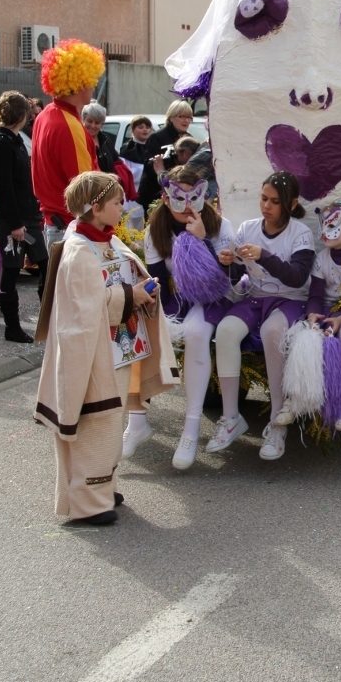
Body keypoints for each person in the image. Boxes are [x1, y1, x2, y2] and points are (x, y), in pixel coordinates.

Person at [34, 171, 178, 525]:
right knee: (96, 423)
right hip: (95, 355)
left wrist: (143, 287)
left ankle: (104, 488)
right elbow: (85, 305)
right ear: (97, 208)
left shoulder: (104, 239)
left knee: (112, 422)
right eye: (116, 203)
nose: (123, 207)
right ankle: (87, 504)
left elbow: (120, 278)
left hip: (117, 349)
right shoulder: (78, 249)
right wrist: (133, 295)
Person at [122, 165, 234, 469]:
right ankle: (137, 419)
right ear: (165, 198)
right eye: (178, 199)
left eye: (193, 198)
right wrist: (166, 317)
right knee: (141, 326)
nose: (186, 206)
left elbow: (227, 278)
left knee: (197, 333)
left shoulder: (219, 226)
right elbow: (158, 280)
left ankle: (191, 426)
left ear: (204, 197)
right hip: (179, 298)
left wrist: (201, 240)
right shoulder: (156, 229)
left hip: (217, 297)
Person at [213, 171, 315, 461]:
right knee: (226, 331)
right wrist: (228, 263)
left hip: (290, 299)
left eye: (274, 201)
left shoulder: (301, 233)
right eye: (263, 198)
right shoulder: (248, 228)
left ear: (291, 204)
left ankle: (277, 423)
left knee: (273, 332)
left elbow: (297, 278)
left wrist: (264, 255)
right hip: (256, 297)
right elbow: (239, 275)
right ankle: (231, 417)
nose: (266, 206)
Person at [276, 200, 341, 433]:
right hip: (325, 309)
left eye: (332, 226)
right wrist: (312, 315)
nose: (325, 233)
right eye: (324, 226)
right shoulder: (322, 258)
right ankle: (294, 400)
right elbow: (316, 294)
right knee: (302, 337)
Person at [31, 39, 103, 250]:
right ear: (81, 82)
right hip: (72, 228)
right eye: (92, 80)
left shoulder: (45, 116)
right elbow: (85, 187)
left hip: (55, 224)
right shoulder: (68, 125)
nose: (93, 85)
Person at [0, 91, 49, 343]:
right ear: (22, 115)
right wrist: (14, 224)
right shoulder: (3, 143)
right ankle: (12, 327)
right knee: (11, 273)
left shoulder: (13, 140)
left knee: (46, 265)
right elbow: (4, 188)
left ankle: (47, 319)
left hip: (29, 217)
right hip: (13, 221)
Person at [138, 133, 200, 212]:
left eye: (176, 154)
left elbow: (170, 184)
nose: (175, 157)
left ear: (185, 153)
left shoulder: (195, 165)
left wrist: (160, 171)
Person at [82, 102, 119, 173]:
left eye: (97, 123)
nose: (93, 126)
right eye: (90, 121)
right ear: (83, 120)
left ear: (102, 124)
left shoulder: (106, 140)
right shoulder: (79, 140)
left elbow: (116, 162)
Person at [119, 116, 153, 190]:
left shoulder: (153, 146)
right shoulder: (127, 149)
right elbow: (125, 173)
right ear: (133, 130)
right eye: (141, 127)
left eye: (147, 127)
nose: (145, 130)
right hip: (133, 190)